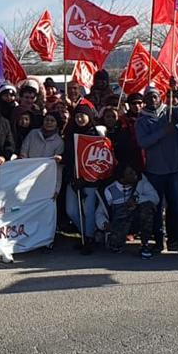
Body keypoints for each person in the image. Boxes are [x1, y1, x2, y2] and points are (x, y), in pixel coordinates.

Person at [135, 69, 178, 255]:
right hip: (155, 172)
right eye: (149, 97)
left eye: (155, 96)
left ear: (160, 97)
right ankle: (158, 240)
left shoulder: (171, 113)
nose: (152, 100)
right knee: (156, 209)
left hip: (176, 169)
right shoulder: (141, 121)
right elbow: (143, 142)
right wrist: (163, 132)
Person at [61, 104, 107, 253]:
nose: (80, 119)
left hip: (90, 179)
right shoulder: (69, 134)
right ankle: (88, 233)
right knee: (71, 211)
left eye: (83, 115)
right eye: (77, 116)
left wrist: (88, 178)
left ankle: (89, 239)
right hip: (73, 178)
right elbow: (68, 158)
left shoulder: (95, 135)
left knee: (88, 211)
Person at [102, 165, 159, 255]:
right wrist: (104, 223)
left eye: (133, 172)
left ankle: (145, 244)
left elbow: (155, 198)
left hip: (137, 219)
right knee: (115, 244)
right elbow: (101, 211)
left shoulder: (141, 182)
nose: (134, 174)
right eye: (130, 173)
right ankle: (115, 242)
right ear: (122, 178)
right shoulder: (110, 190)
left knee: (147, 207)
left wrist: (137, 199)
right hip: (120, 222)